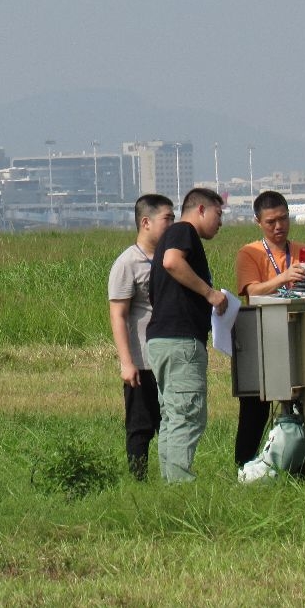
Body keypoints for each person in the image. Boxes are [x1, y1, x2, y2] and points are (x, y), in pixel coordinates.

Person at [146, 187, 234, 483]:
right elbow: (172, 262)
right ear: (200, 210)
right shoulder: (183, 232)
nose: (220, 222)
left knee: (172, 417)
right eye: (218, 214)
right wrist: (209, 294)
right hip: (180, 340)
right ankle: (181, 487)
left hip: (162, 340)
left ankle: (171, 485)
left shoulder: (171, 236)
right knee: (187, 415)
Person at [233, 189, 305, 467]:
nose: (279, 226)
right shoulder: (250, 253)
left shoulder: (300, 250)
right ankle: (244, 466)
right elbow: (252, 292)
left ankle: (302, 465)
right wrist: (282, 278)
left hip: (296, 334)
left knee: (304, 403)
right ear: (258, 222)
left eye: (283, 219)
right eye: (271, 222)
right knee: (255, 410)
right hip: (262, 339)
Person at [107, 194, 176, 480]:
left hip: (169, 356)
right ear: (146, 222)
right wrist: (127, 362)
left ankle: (174, 477)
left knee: (171, 422)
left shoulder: (171, 259)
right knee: (140, 424)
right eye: (167, 219)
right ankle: (139, 480)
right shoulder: (127, 263)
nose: (173, 224)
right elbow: (118, 315)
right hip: (142, 359)